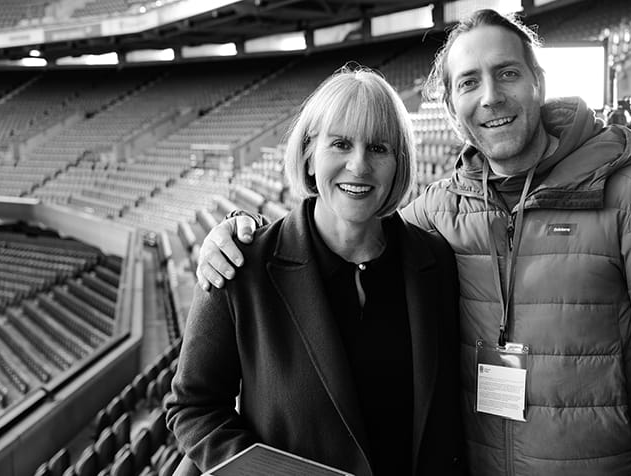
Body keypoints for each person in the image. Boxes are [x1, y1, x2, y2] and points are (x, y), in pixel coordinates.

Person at [195, 9, 631, 475]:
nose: (492, 96)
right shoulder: (437, 214)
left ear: (538, 84)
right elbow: (352, 222)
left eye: (507, 74)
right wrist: (238, 235)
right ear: (452, 107)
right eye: (469, 82)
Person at [165, 68, 464, 476]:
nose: (358, 165)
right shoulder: (241, 266)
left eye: (378, 148)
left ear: (399, 163)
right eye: (340, 144)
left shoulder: (434, 261)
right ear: (308, 152)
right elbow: (193, 406)